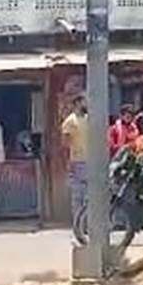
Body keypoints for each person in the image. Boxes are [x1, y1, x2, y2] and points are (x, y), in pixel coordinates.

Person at [61, 94, 89, 224]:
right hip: (77, 161)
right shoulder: (70, 121)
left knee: (88, 195)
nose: (86, 104)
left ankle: (87, 224)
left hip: (90, 160)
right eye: (84, 101)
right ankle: (78, 224)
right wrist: (68, 161)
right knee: (78, 195)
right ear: (77, 103)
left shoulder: (88, 119)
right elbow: (65, 143)